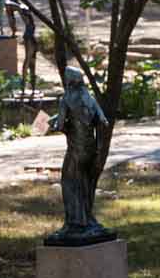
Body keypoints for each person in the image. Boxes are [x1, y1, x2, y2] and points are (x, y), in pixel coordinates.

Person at [46, 66, 112, 242]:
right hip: (90, 150)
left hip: (76, 150)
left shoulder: (67, 99)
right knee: (84, 183)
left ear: (69, 81)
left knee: (69, 182)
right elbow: (102, 121)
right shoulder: (89, 98)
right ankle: (87, 219)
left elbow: (60, 125)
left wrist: (54, 124)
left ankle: (75, 223)